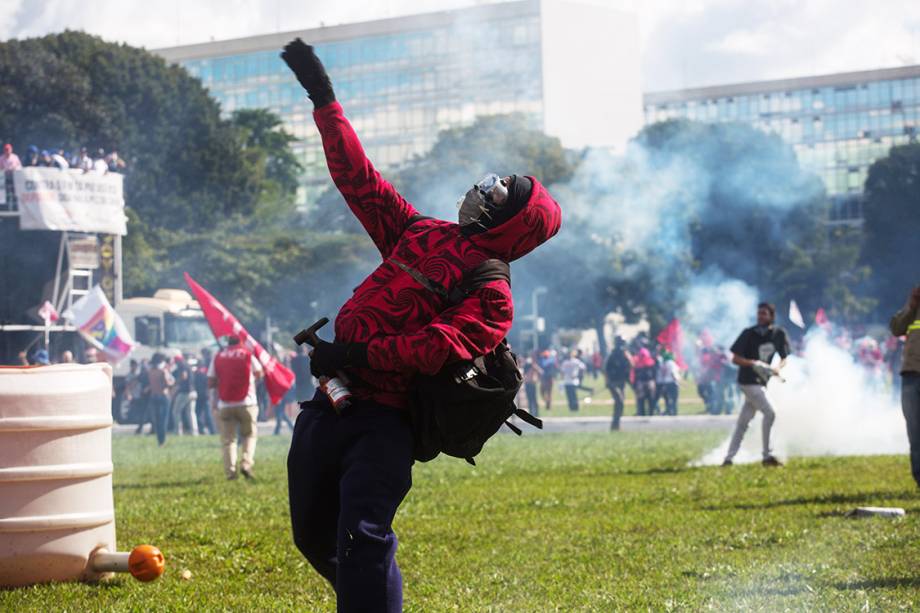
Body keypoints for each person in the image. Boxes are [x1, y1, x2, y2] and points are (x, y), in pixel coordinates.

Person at [281, 39, 560, 612]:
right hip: (329, 404)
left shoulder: (493, 292)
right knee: (312, 535)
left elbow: (437, 349)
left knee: (363, 536)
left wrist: (351, 356)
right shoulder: (421, 231)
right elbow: (360, 182)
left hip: (387, 423)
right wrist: (324, 100)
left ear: (512, 223)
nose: (482, 190)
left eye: (498, 192)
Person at [722, 303, 789, 467]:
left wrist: (775, 368)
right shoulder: (748, 333)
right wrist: (753, 363)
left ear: (771, 316)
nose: (761, 317)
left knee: (743, 423)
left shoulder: (778, 334)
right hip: (748, 381)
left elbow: (784, 358)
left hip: (762, 382)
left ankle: (728, 459)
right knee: (770, 413)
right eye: (759, 314)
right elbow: (735, 358)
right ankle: (767, 456)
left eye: (764, 314)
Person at [208, 335, 264, 480]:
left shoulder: (218, 356)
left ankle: (231, 472)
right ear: (241, 343)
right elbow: (259, 373)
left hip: (225, 404)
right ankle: (246, 463)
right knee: (249, 435)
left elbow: (210, 382)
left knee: (228, 440)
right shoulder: (247, 354)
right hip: (247, 402)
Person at [891, 285, 920, 488]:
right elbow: (896, 328)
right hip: (911, 375)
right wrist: (911, 306)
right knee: (915, 433)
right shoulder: (914, 308)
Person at [147, 353, 175, 446]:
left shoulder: (151, 371)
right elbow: (168, 384)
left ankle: (159, 440)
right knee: (163, 420)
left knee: (157, 420)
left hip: (154, 396)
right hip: (163, 396)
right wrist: (172, 380)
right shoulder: (163, 371)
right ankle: (162, 441)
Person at [604, 336, 631, 430]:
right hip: (613, 382)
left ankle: (616, 424)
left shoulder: (625, 355)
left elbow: (630, 367)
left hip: (621, 382)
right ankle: (615, 424)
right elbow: (606, 369)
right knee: (619, 401)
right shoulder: (612, 355)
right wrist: (607, 381)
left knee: (620, 403)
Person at [171, 355, 198, 436]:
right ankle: (195, 432)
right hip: (193, 392)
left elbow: (184, 376)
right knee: (191, 413)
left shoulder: (182, 365)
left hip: (185, 393)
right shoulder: (187, 365)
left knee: (176, 411)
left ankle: (178, 431)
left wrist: (176, 382)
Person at [194, 348, 216, 434]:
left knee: (198, 413)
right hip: (206, 395)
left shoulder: (197, 373)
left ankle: (202, 429)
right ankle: (212, 430)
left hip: (200, 395)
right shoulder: (206, 372)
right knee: (207, 414)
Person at [632, 347, 658, 416]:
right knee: (650, 399)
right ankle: (650, 413)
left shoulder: (637, 363)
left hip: (641, 383)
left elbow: (634, 374)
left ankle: (642, 413)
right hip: (648, 382)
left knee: (641, 400)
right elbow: (655, 373)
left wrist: (634, 384)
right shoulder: (651, 362)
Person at [656, 350, 682, 416]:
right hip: (672, 383)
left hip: (665, 382)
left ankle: (669, 411)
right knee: (674, 399)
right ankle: (674, 412)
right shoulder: (671, 363)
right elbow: (673, 373)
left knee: (667, 399)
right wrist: (678, 381)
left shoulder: (663, 363)